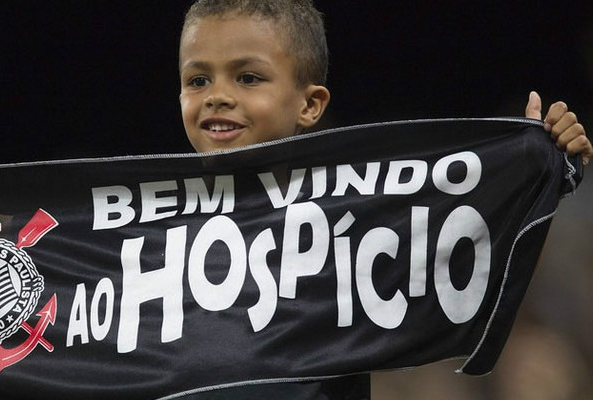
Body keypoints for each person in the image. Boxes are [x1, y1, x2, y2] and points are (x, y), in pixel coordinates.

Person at [176, 0, 591, 398]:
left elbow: (485, 279)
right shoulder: (135, 234)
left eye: (247, 77)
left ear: (310, 104)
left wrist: (533, 173)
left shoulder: (356, 225)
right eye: (198, 80)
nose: (217, 95)